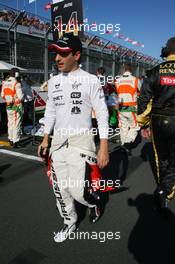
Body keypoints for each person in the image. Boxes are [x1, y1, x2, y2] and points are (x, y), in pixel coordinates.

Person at [38, 33, 109, 243]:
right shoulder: (53, 81)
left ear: (76, 55)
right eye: (56, 54)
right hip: (58, 142)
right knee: (60, 189)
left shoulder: (91, 80)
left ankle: (93, 201)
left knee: (78, 191)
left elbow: (102, 113)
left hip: (82, 140)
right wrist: (45, 139)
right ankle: (69, 221)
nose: (57, 58)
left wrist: (104, 146)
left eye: (63, 54)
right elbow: (50, 112)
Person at [137, 37, 175, 211]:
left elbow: (144, 100)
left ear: (166, 51)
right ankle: (166, 190)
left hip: (158, 119)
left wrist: (143, 124)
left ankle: (163, 185)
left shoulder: (154, 71)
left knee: (161, 157)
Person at [114, 63, 141, 154]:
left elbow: (117, 93)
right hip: (131, 107)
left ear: (123, 70)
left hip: (121, 107)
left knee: (123, 127)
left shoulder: (117, 80)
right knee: (135, 126)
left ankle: (123, 145)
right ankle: (127, 143)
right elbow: (142, 92)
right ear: (131, 70)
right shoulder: (135, 80)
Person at [1, 68, 23, 148]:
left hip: (8, 106)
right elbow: (20, 97)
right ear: (16, 74)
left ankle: (10, 139)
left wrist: (8, 99)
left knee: (10, 123)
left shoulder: (5, 83)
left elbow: (2, 95)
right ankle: (16, 141)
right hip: (16, 106)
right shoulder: (17, 83)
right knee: (16, 123)